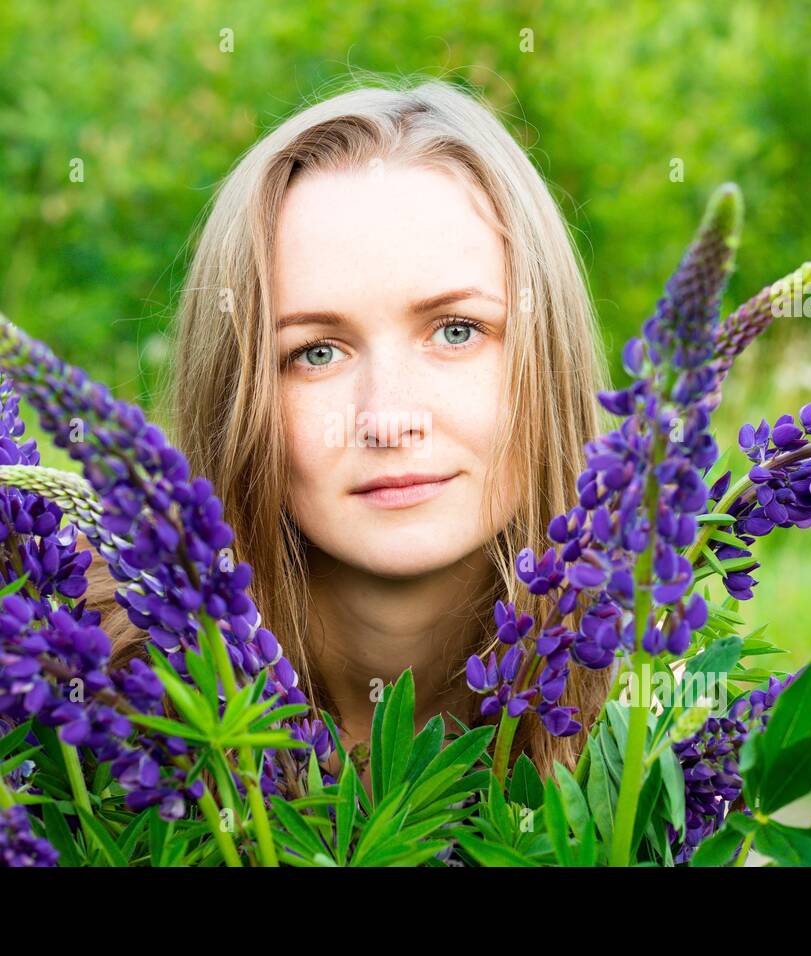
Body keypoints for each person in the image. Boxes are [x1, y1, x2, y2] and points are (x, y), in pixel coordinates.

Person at [81, 74, 614, 786]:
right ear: (235, 398)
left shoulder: (655, 731)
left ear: (550, 359)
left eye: (457, 331)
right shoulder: (83, 696)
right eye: (316, 352)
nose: (388, 417)